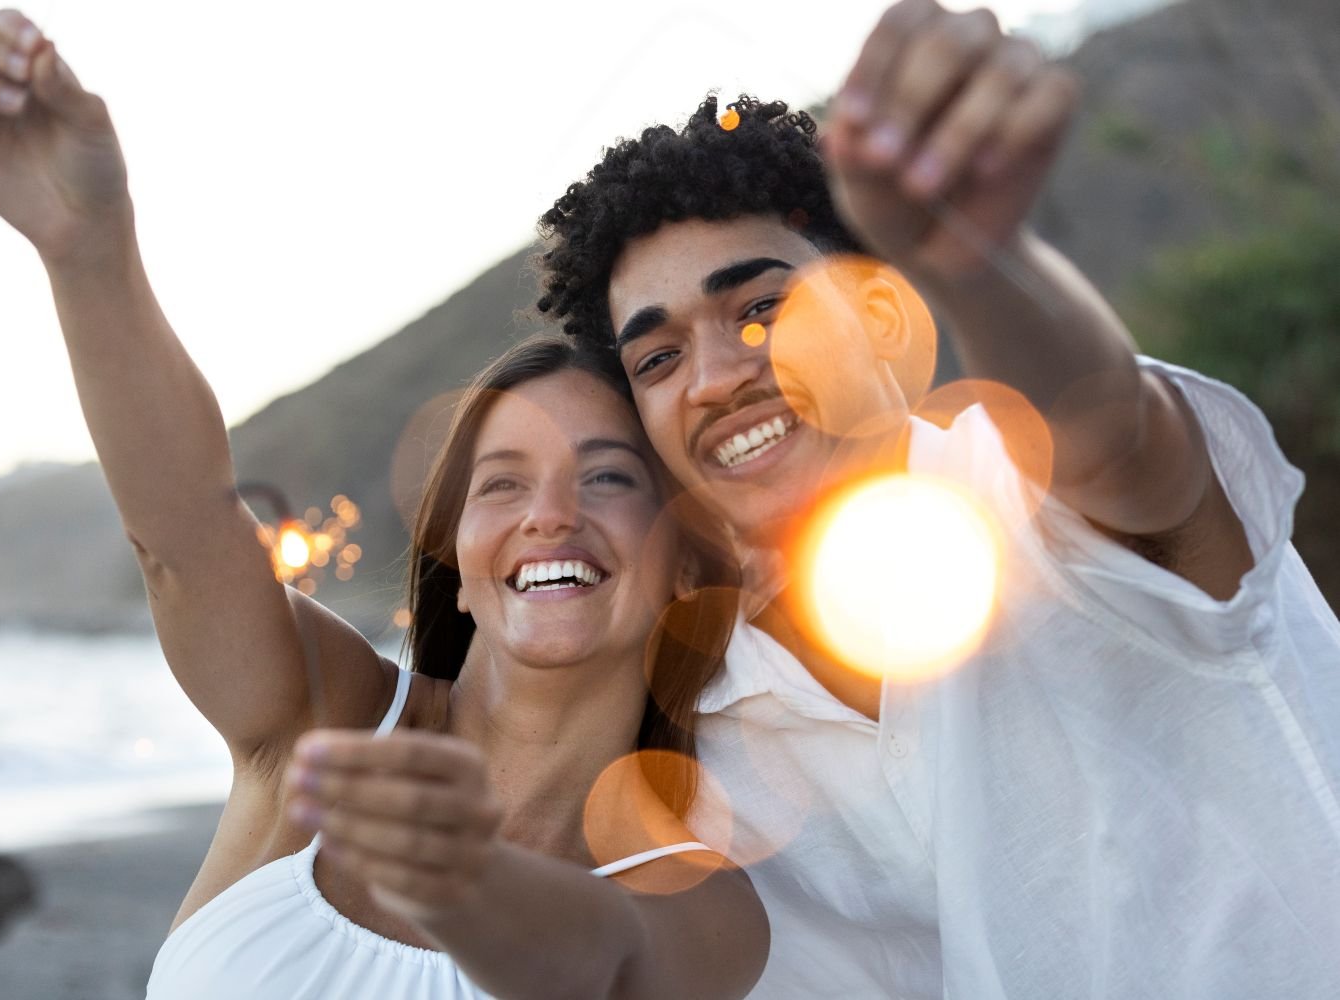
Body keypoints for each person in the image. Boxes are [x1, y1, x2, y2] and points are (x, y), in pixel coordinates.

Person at [0, 11, 770, 999]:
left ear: (687, 565)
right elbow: (182, 532)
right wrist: (87, 249)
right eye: (502, 482)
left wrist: (460, 874)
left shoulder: (701, 902)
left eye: (608, 475)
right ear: (459, 562)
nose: (549, 514)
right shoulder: (328, 719)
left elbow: (593, 957)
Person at [535, 1, 1340, 997]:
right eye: (657, 357)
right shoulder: (700, 732)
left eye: (760, 310)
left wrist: (973, 257)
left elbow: (1110, 433)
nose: (712, 377)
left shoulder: (1024, 497)